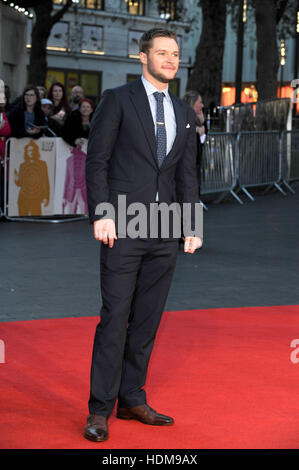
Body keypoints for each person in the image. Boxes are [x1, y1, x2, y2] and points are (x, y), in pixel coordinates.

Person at [84, 27, 202, 443]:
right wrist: (101, 214)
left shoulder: (184, 112)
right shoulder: (117, 100)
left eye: (175, 53)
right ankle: (99, 410)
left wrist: (192, 226)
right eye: (162, 53)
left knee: (148, 320)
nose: (171, 60)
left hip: (165, 230)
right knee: (116, 317)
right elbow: (96, 161)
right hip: (123, 224)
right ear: (143, 57)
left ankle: (132, 397)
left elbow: (187, 174)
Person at [183, 90, 207, 197]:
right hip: (187, 162)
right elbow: (187, 135)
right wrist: (197, 132)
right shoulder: (185, 117)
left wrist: (202, 123)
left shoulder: (196, 118)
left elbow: (202, 138)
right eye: (200, 102)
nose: (202, 105)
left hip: (195, 161)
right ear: (193, 103)